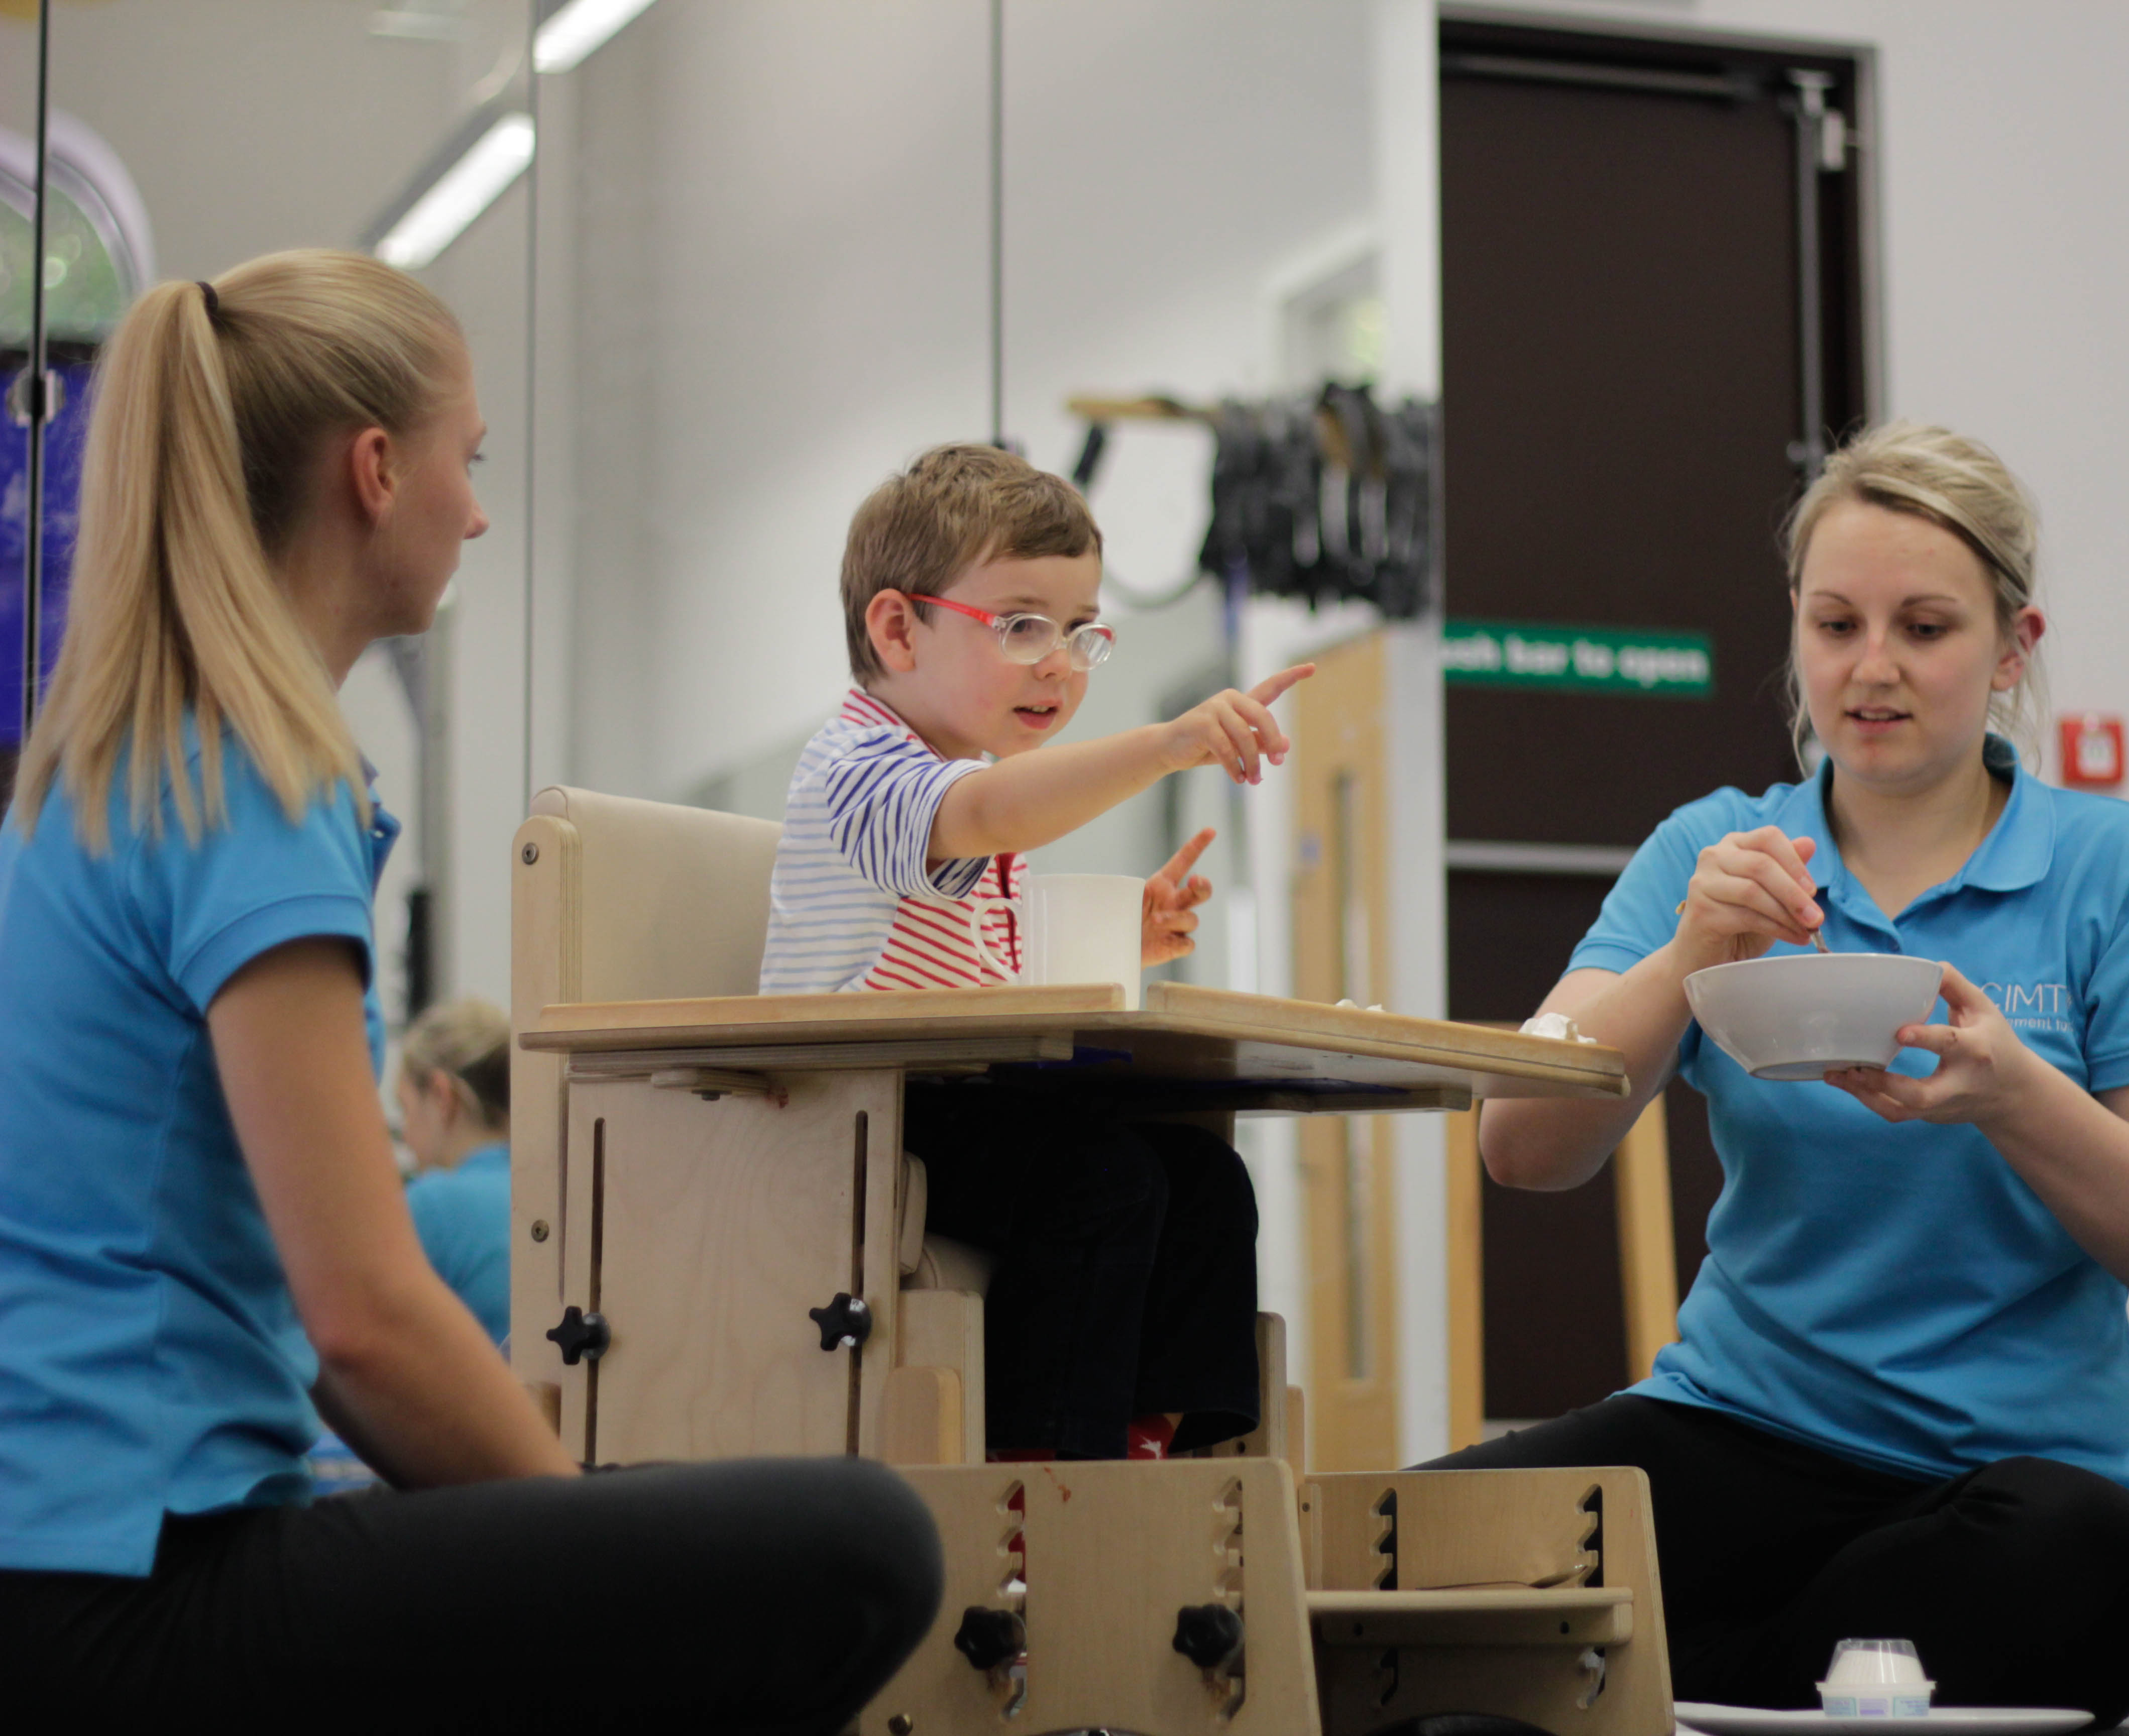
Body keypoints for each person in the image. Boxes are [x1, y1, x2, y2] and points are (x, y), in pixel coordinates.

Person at [0, 250, 939, 1732]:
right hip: (128, 1592)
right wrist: (585, 1534)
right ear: (375, 470)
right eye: (470, 459)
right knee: (866, 1543)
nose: (480, 508)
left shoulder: (106, 778)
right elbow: (364, 1321)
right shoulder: (251, 780)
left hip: (68, 1565)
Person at [1433, 421, 2129, 1725]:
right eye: (1835, 624)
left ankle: (1632, 1690)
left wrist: (2016, 1100)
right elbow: (1522, 1145)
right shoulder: (1715, 849)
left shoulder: (2123, 873)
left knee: (2107, 1570)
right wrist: (1693, 952)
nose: (1872, 669)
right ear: (1797, 634)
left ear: (2012, 648)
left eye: (1924, 628)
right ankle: (1761, 1694)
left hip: (2014, 1483)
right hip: (1737, 1430)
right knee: (1400, 1555)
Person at [760, 442, 1309, 1461]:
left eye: (1080, 632)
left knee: (1203, 1179)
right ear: (897, 627)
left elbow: (980, 978)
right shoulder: (862, 766)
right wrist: (1166, 744)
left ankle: (1165, 1448)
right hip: (855, 1115)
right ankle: (1046, 1470)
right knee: (1100, 1183)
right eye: (1020, 626)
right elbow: (983, 818)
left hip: (952, 1092)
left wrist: (1121, 941)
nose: (1059, 662)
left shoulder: (965, 779)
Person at [395, 997, 513, 1343]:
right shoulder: (557, 1190)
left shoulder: (432, 1204)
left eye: (405, 1108)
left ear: (441, 1096)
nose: (404, 1133)